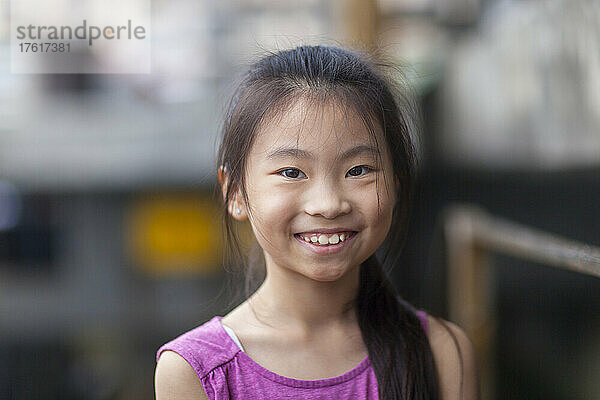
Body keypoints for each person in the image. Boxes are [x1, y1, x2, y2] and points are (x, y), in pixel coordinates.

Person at [155, 45, 479, 400]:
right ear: (235, 194)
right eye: (291, 172)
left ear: (395, 185)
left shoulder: (441, 353)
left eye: (359, 170)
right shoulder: (195, 372)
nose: (328, 204)